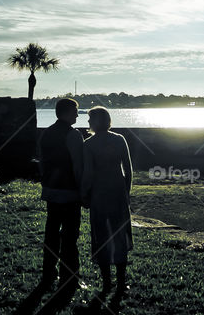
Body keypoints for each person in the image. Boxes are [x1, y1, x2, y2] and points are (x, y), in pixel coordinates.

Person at [80, 106, 133, 294]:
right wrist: (126, 192)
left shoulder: (88, 144)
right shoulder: (120, 140)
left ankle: (106, 283)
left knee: (101, 236)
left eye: (89, 119)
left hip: (99, 194)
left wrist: (84, 194)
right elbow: (128, 169)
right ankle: (120, 283)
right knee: (120, 235)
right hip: (118, 193)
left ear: (95, 122)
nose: (87, 123)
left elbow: (88, 174)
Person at [37, 97, 84, 292]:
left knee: (51, 233)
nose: (77, 114)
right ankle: (69, 276)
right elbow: (78, 165)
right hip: (69, 192)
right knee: (70, 236)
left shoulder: (47, 133)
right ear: (67, 112)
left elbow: (41, 162)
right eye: (75, 111)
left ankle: (48, 272)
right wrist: (83, 189)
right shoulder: (73, 135)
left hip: (51, 190)